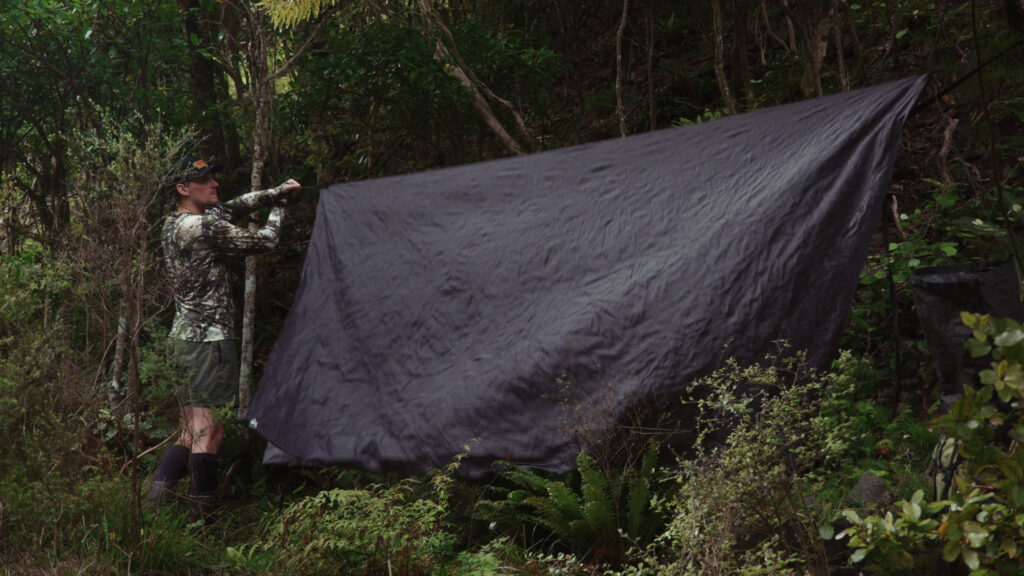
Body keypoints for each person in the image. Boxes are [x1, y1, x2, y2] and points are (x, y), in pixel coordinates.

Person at [148, 155, 300, 519]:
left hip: (183, 339)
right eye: (205, 180)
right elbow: (265, 241)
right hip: (206, 343)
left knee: (189, 432)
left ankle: (155, 512)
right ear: (183, 189)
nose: (215, 184)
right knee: (209, 433)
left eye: (214, 177)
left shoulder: (175, 225)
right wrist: (279, 206)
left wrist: (273, 191)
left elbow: (232, 207)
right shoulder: (202, 229)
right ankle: (201, 522)